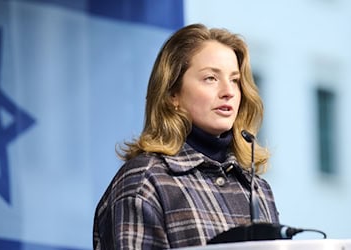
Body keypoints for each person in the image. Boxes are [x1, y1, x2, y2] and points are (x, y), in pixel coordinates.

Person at [93, 23, 279, 249]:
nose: (228, 91)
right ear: (173, 93)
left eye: (235, 80)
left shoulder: (257, 189)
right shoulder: (146, 180)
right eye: (211, 78)